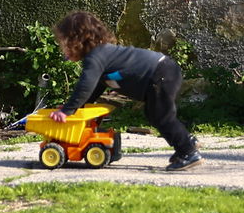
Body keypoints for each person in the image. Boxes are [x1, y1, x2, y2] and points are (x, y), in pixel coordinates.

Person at [49, 10, 202, 171]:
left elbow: (85, 86)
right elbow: (95, 87)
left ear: (76, 40)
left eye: (64, 43)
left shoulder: (95, 57)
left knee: (161, 116)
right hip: (163, 72)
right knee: (155, 114)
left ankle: (188, 152)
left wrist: (67, 110)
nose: (63, 48)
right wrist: (77, 108)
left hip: (161, 73)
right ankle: (186, 142)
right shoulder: (101, 56)